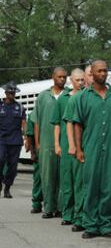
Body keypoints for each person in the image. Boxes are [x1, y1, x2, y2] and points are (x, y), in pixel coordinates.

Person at [73, 60, 111, 239]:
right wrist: (79, 149)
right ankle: (91, 225)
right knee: (91, 186)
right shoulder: (83, 96)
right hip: (91, 147)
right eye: (99, 71)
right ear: (92, 74)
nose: (103, 74)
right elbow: (77, 124)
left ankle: (105, 225)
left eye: (105, 71)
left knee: (108, 187)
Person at [32, 67, 67, 218]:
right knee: (47, 177)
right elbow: (36, 122)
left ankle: (60, 207)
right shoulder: (43, 96)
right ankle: (48, 207)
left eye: (64, 77)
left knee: (62, 177)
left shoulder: (69, 95)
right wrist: (38, 143)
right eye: (59, 77)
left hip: (64, 142)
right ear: (53, 77)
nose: (62, 79)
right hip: (46, 143)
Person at [50, 68, 84, 226]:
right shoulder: (63, 98)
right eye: (77, 80)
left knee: (80, 181)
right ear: (71, 80)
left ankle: (79, 214)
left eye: (82, 80)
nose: (80, 83)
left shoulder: (86, 97)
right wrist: (57, 144)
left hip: (81, 144)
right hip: (65, 144)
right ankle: (67, 213)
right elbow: (57, 124)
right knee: (67, 181)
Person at [0, 81, 26, 198]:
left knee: (12, 167)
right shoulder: (0, 106)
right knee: (0, 161)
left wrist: (26, 137)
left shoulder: (19, 107)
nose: (12, 94)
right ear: (5, 93)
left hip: (15, 141)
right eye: (10, 92)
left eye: (13, 93)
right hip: (1, 140)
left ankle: (7, 188)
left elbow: (24, 124)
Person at [25, 111, 43, 213]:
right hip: (39, 151)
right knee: (38, 178)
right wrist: (33, 153)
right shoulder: (34, 114)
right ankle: (36, 203)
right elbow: (30, 135)